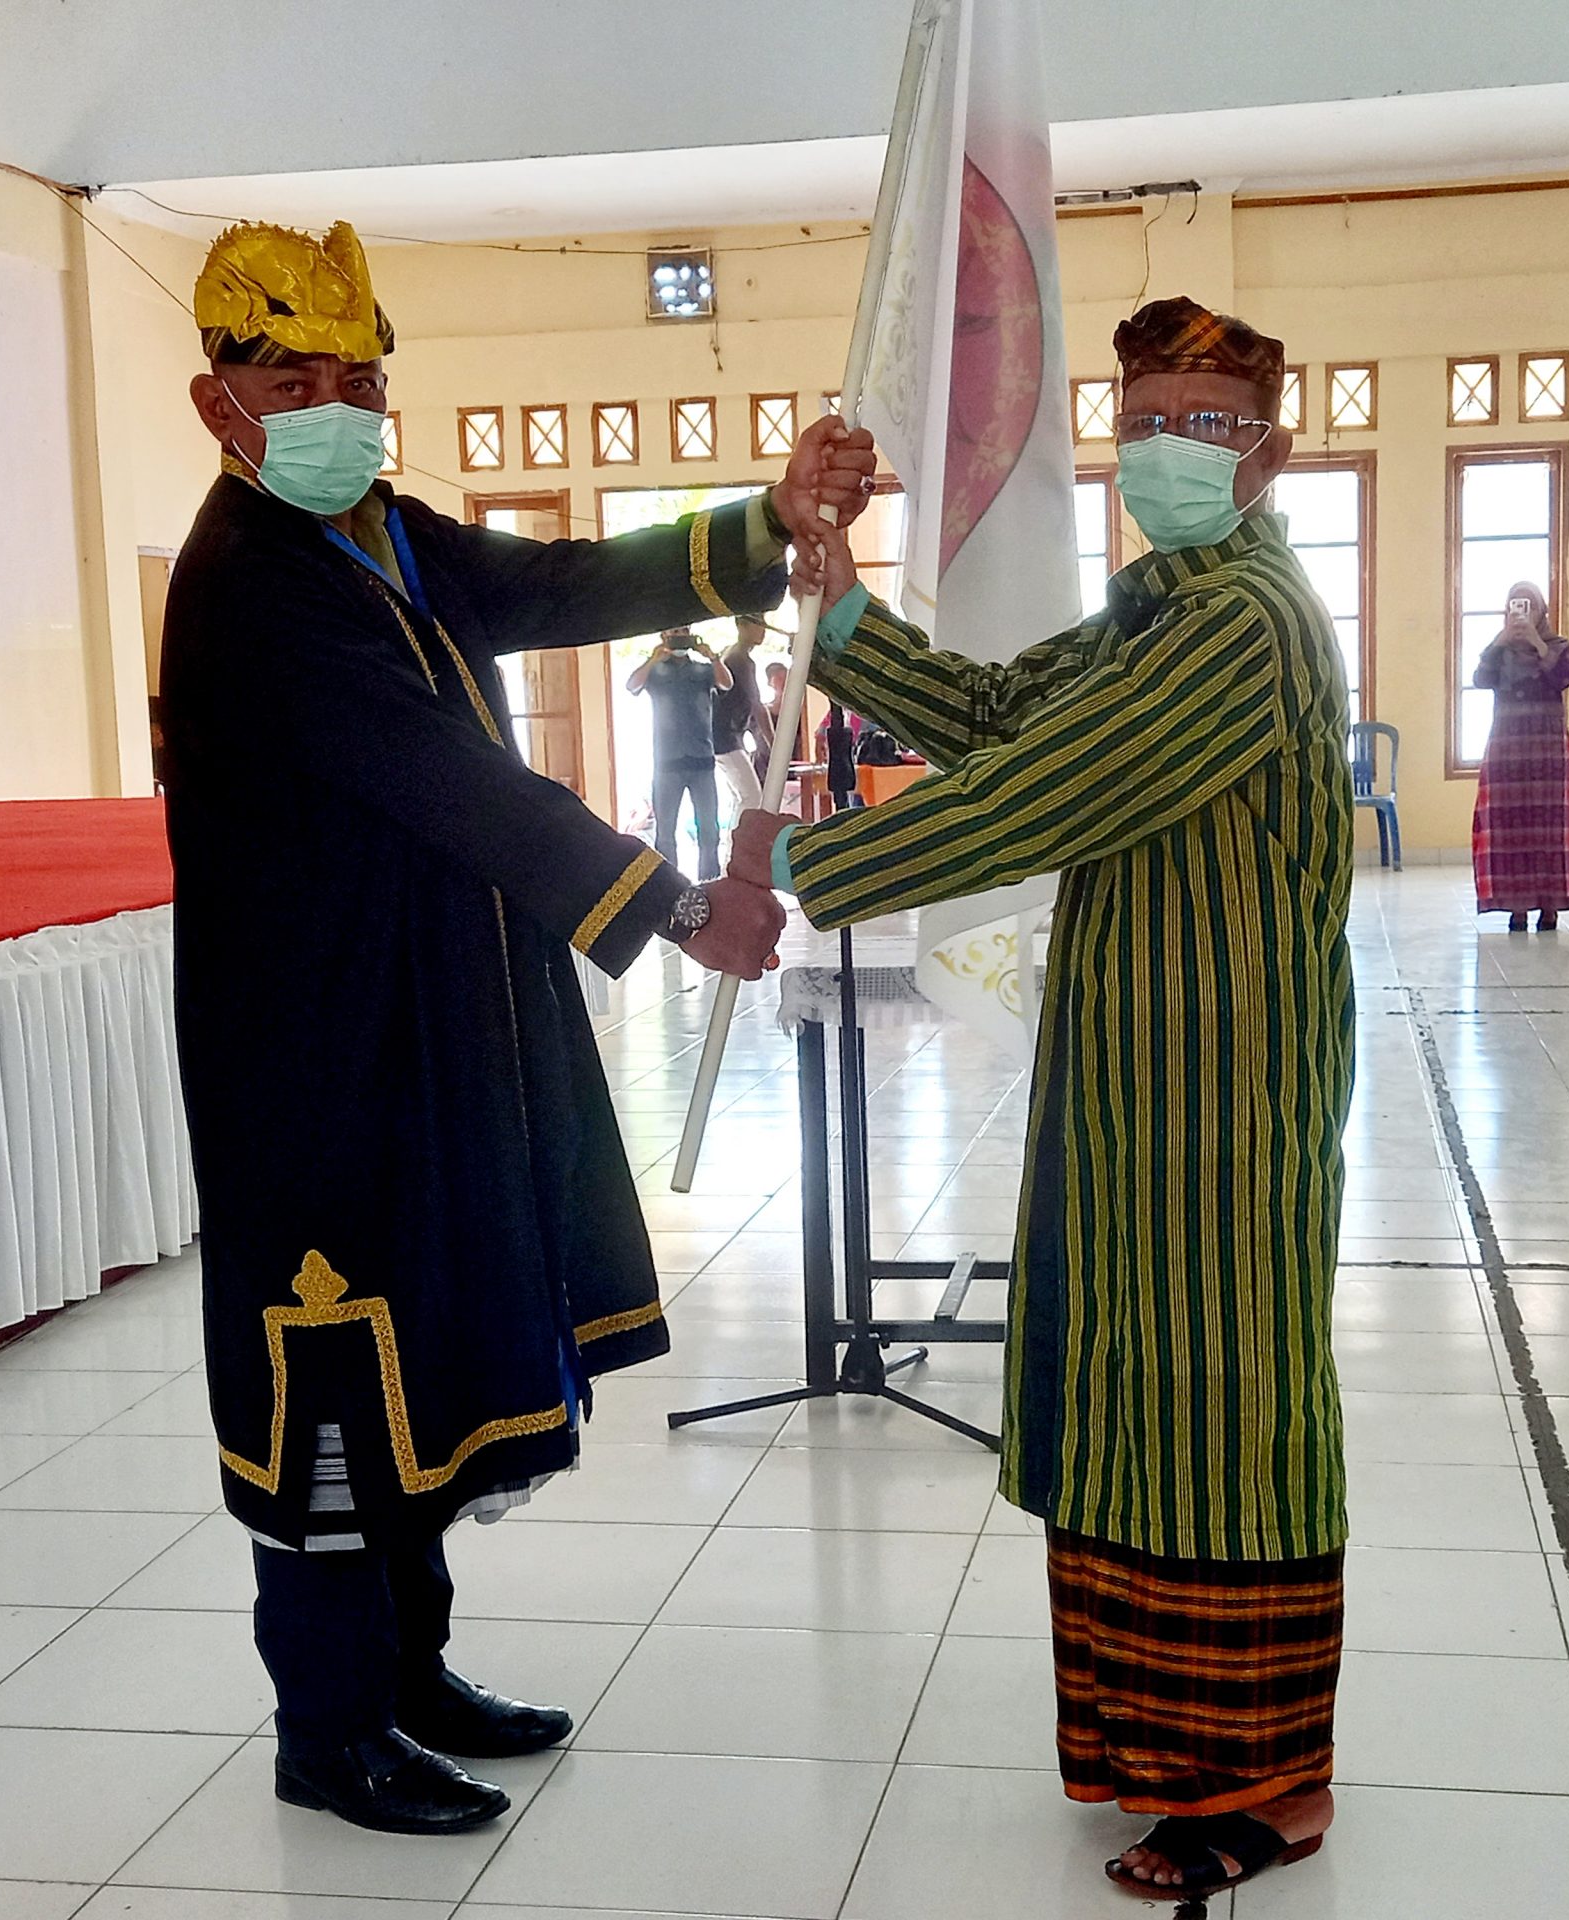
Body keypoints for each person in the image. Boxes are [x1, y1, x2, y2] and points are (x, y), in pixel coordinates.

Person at [159, 220, 863, 1837]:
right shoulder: (255, 585)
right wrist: (678, 906)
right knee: (334, 1376)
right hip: (318, 1061)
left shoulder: (376, 533)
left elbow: (556, 583)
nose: (336, 405)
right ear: (222, 405)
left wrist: (774, 522)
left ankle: (412, 1674)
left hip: (428, 1030)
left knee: (428, 1347)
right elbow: (459, 780)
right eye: (295, 379)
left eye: (360, 378)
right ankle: (327, 1730)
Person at [734, 297, 1351, 1902]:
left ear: (1270, 453)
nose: (1166, 449)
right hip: (1133, 1064)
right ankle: (1162, 1743)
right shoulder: (1162, 598)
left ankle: (1269, 1777)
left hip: (1226, 1084)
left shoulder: (1245, 621)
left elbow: (1043, 792)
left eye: (1204, 425)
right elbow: (1015, 715)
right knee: (1139, 1389)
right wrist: (849, 616)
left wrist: (806, 864)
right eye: (1145, 416)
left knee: (1222, 1403)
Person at [1470, 582, 1569, 932]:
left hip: (1547, 749)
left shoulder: (1558, 646)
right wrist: (1500, 641)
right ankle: (1515, 907)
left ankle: (1549, 907)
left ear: (1541, 611)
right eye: (1514, 606)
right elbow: (1480, 679)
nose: (1521, 613)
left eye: (1528, 607)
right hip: (1507, 748)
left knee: (1549, 827)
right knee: (1508, 827)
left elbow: (1564, 677)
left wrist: (1537, 643)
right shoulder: (1500, 650)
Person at [627, 628, 728, 879]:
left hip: (702, 761)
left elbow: (727, 683)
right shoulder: (656, 672)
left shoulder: (703, 670)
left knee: (708, 830)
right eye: (675, 633)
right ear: (664, 636)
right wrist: (652, 659)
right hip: (666, 763)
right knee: (665, 832)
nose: (680, 636)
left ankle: (709, 882)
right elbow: (631, 686)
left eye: (684, 632)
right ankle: (669, 885)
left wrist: (712, 656)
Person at [710, 613, 773, 822]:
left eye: (764, 624)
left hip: (727, 736)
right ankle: (736, 850)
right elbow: (757, 705)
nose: (762, 629)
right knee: (751, 797)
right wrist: (774, 743)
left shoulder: (735, 654)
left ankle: (732, 849)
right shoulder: (738, 658)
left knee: (743, 797)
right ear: (741, 625)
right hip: (724, 738)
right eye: (757, 624)